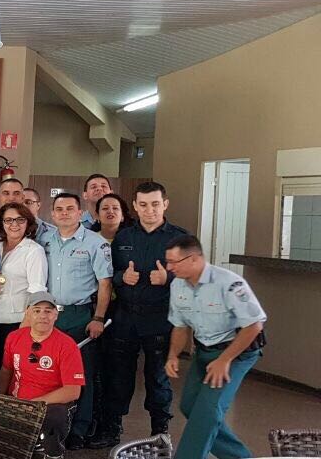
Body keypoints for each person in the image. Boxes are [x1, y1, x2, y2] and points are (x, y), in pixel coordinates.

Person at [91, 182, 186, 448]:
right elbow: (110, 275)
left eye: (155, 204)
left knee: (158, 379)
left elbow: (197, 278)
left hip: (160, 319)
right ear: (134, 206)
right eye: (143, 205)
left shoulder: (181, 239)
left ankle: (160, 433)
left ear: (165, 204)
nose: (149, 210)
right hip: (125, 318)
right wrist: (123, 277)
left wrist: (169, 278)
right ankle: (112, 429)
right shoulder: (123, 238)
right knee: (118, 377)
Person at [164, 235, 267, 459]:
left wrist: (224, 360)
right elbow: (180, 326)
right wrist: (172, 355)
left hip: (237, 352)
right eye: (167, 262)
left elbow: (254, 325)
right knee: (190, 406)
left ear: (194, 259)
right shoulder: (177, 285)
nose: (169, 267)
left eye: (173, 262)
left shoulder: (228, 283)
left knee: (208, 411)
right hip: (205, 349)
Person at [39, 193, 112, 449]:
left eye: (70, 209)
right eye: (59, 209)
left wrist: (98, 318)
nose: (64, 213)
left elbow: (105, 284)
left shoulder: (95, 242)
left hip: (80, 315)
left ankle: (79, 429)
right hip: (49, 315)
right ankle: (52, 426)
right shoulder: (45, 240)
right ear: (52, 214)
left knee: (81, 374)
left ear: (80, 213)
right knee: (49, 371)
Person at [0, 292, 85, 459]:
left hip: (50, 406)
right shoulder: (14, 337)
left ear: (56, 315)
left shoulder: (67, 345)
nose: (42, 316)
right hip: (17, 401)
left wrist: (34, 404)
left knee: (54, 418)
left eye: (48, 311)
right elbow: (6, 370)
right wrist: (1, 398)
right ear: (27, 313)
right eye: (37, 310)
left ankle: (52, 454)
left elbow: (73, 391)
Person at [0, 202, 48, 392]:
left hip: (17, 322)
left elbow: (37, 291)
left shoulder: (33, 250)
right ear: (1, 224)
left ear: (28, 223)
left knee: (12, 376)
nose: (14, 224)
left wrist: (26, 326)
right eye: (8, 220)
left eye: (20, 220)